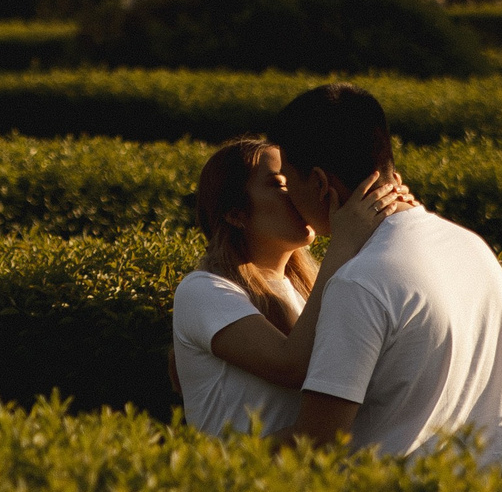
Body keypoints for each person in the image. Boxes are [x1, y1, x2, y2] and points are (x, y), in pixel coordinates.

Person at [268, 83, 502, 466]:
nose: (285, 198)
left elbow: (316, 439)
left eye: (286, 182)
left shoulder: (359, 282)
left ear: (318, 183)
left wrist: (209, 456)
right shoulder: (474, 250)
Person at [172, 135, 413, 437]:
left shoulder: (305, 289)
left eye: (294, 181)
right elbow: (292, 365)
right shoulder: (202, 291)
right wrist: (343, 242)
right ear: (236, 214)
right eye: (278, 185)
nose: (296, 194)